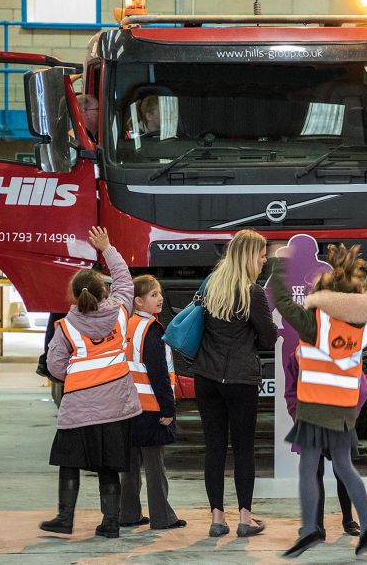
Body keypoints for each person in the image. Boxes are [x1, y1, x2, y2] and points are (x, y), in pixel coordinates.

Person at [273, 242, 367, 558]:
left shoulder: (315, 324)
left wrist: (279, 265)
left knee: (308, 469)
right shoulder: (364, 326)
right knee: (345, 467)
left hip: (314, 409)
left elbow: (284, 304)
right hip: (342, 411)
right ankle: (366, 524)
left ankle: (311, 529)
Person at [40, 226, 142, 539]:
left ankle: (64, 518)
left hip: (78, 409)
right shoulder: (121, 311)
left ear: (75, 295)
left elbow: (56, 365)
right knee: (109, 466)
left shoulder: (67, 326)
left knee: (69, 463)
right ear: (104, 292)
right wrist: (107, 247)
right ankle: (110, 524)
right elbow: (125, 280)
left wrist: (78, 372)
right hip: (115, 408)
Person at [188, 229, 277, 538]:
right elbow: (268, 338)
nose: (265, 260)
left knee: (214, 448)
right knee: (243, 449)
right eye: (262, 254)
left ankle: (216, 518)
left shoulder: (210, 287)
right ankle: (244, 519)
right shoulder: (252, 293)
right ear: (248, 257)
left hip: (206, 378)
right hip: (240, 379)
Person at [119, 275, 184, 530]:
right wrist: (168, 408)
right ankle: (162, 517)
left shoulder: (128, 326)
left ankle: (128, 514)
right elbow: (158, 373)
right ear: (138, 300)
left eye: (159, 293)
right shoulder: (152, 330)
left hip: (128, 407)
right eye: (153, 295)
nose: (160, 299)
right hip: (151, 408)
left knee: (131, 465)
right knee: (155, 468)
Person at [284, 351, 364, 538]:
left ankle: (322, 524)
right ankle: (341, 522)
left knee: (320, 472)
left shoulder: (299, 353)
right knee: (338, 471)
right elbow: (362, 386)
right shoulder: (300, 354)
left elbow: (291, 391)